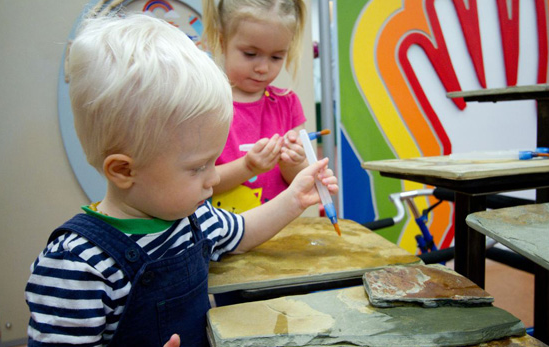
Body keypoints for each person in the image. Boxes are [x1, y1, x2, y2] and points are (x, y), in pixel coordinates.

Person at [24, 13, 337, 347]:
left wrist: (296, 198)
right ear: (124, 171)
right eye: (198, 167)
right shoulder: (76, 267)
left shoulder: (194, 219)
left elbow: (243, 232)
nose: (215, 177)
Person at [202, 0, 310, 213]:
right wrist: (248, 167)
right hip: (217, 240)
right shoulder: (203, 104)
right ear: (222, 41)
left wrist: (292, 162)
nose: (263, 68)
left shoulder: (287, 104)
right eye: (250, 54)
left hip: (278, 235)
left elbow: (302, 180)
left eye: (276, 57)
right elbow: (197, 183)